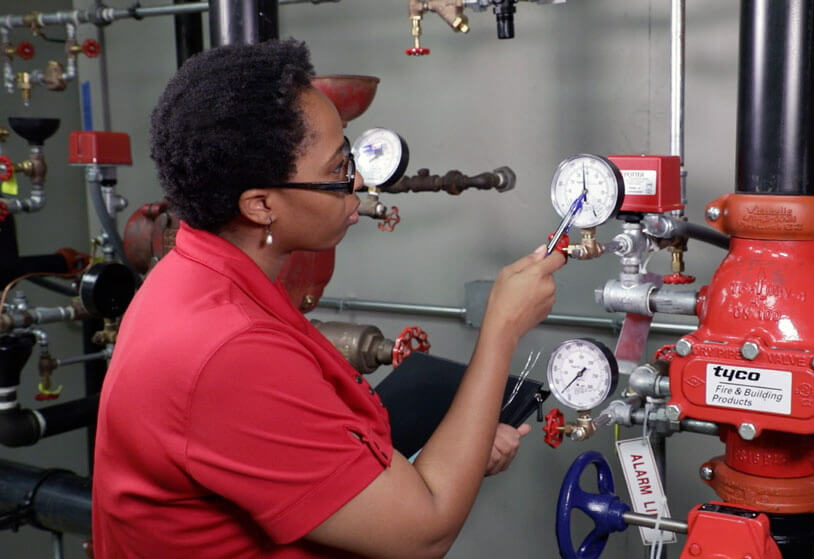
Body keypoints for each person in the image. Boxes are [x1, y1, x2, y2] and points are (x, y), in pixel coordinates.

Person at [91, 39, 565, 558]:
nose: (356, 179)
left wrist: (458, 451)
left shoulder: (193, 273)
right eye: (338, 168)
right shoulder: (228, 348)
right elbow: (423, 534)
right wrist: (501, 328)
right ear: (261, 205)